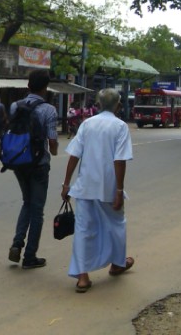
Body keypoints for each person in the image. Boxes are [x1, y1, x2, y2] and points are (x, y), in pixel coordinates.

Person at [62, 88, 134, 292]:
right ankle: (118, 263)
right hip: (109, 186)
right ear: (118, 106)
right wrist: (119, 190)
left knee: (83, 229)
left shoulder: (87, 124)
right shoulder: (120, 126)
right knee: (116, 223)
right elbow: (120, 159)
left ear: (99, 104)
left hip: (85, 186)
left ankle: (82, 277)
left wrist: (66, 184)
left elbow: (74, 155)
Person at [5, 70, 62, 269]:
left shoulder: (15, 106)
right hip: (39, 164)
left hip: (18, 162)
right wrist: (53, 151)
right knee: (37, 210)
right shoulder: (49, 110)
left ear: (28, 85)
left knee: (26, 203)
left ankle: (16, 244)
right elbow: (52, 141)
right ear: (45, 88)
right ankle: (30, 256)